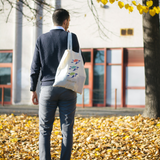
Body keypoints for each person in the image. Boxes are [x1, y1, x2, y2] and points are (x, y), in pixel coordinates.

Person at [30, 8, 84, 160]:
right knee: (67, 129)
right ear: (65, 21)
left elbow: (35, 67)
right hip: (68, 88)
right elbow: (81, 62)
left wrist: (32, 89)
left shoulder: (41, 39)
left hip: (47, 88)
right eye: (69, 22)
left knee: (45, 130)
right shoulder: (71, 37)